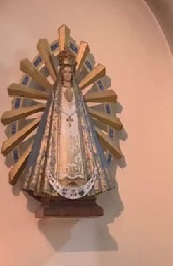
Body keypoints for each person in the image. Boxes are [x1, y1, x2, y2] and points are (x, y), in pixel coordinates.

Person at [20, 49, 115, 201]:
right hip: (60, 131)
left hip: (76, 131)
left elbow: (82, 115)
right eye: (65, 71)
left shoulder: (77, 93)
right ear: (61, 73)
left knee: (77, 151)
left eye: (70, 72)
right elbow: (51, 116)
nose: (67, 74)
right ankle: (55, 183)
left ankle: (81, 182)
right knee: (61, 151)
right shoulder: (56, 93)